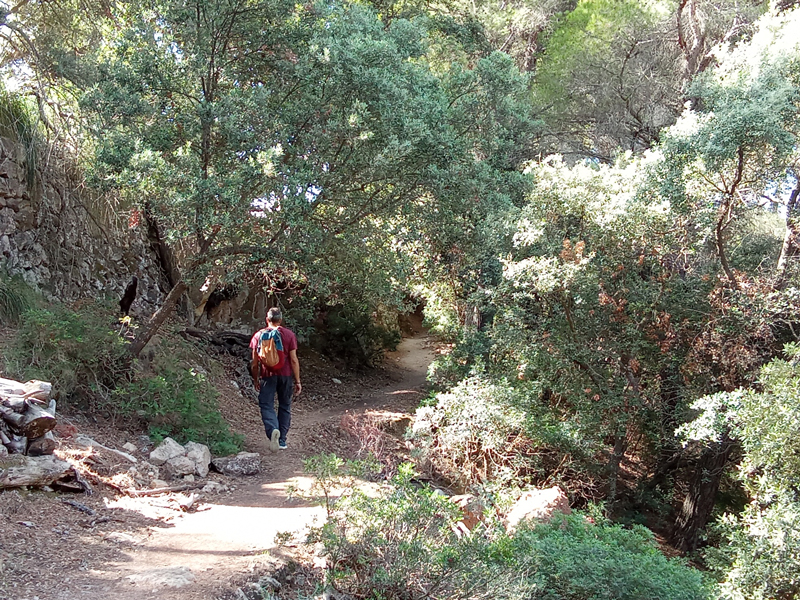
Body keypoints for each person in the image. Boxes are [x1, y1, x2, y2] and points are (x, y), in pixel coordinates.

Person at [250, 307, 302, 451]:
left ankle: (273, 429)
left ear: (267, 319)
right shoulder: (289, 335)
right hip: (285, 376)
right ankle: (282, 441)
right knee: (285, 405)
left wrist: (256, 380)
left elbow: (254, 364)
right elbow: (293, 360)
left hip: (267, 376)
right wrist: (297, 381)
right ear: (280, 320)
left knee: (266, 404)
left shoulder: (258, 335)